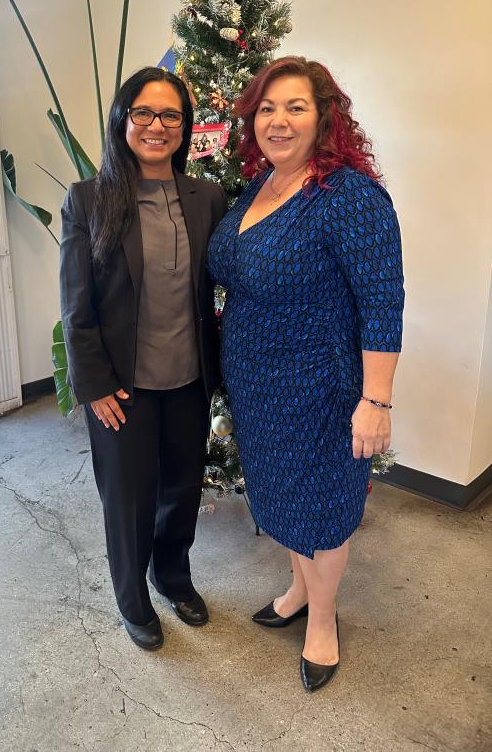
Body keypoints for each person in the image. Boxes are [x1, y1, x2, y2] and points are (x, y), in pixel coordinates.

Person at [207, 56, 404, 691]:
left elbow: (382, 303)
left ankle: (322, 621)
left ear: (324, 117)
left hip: (320, 391)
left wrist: (376, 401)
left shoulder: (348, 196)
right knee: (282, 499)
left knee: (320, 509)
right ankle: (297, 591)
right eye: (267, 108)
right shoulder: (259, 188)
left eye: (295, 107)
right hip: (258, 389)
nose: (279, 120)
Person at [60, 67, 228, 651]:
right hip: (121, 387)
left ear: (185, 126)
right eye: (144, 113)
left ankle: (172, 577)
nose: (157, 126)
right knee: (128, 501)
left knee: (181, 490)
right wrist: (93, 385)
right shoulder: (88, 199)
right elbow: (76, 306)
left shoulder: (207, 198)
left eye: (171, 115)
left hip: (188, 378)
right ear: (122, 119)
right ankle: (133, 599)